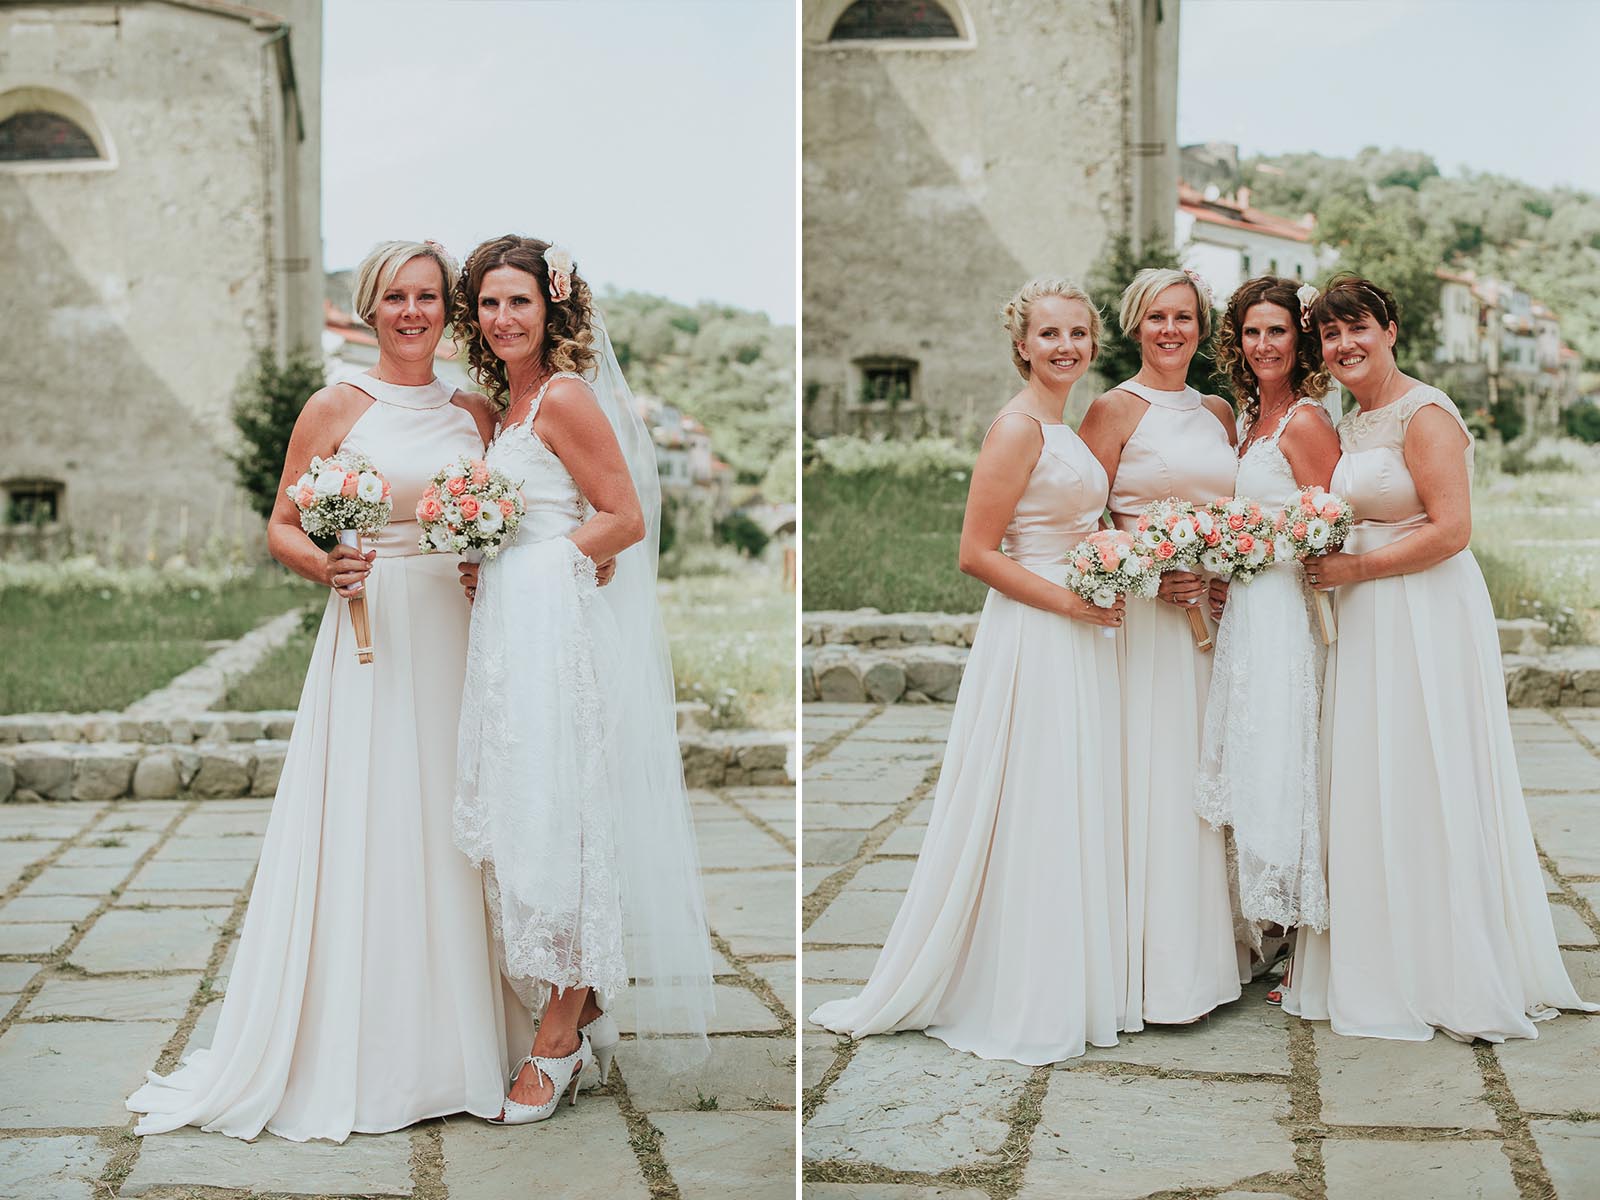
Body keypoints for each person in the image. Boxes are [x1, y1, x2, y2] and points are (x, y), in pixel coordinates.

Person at [129, 240, 519, 1141]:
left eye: (428, 297)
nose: (413, 313)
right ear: (370, 306)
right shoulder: (335, 404)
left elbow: (504, 510)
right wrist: (328, 562)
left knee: (458, 819)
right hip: (368, 632)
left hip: (460, 632)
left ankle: (471, 1035)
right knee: (375, 820)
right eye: (395, 298)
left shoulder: (476, 410)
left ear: (446, 309)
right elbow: (282, 525)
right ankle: (373, 1046)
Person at [811, 279, 1128, 1065]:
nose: (1065, 348)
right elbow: (977, 554)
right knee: (1033, 797)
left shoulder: (1065, 428)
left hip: (1080, 626)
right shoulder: (1018, 427)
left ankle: (1068, 974)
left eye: (1078, 335)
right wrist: (1070, 601)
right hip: (1039, 630)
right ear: (1021, 344)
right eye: (1049, 335)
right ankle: (1019, 989)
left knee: (1066, 797)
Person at [1285, 274, 1595, 1040]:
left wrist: (1352, 567)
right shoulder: (1352, 421)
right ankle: (1381, 954)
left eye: (1358, 327)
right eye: (1330, 335)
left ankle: (1448, 965)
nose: (1345, 344)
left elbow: (1452, 529)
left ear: (1391, 329)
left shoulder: (1425, 412)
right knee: (1373, 775)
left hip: (1424, 613)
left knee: (1428, 770)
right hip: (1368, 622)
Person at [451, 235, 714, 1122]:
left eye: (519, 301)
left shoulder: (562, 398)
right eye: (488, 303)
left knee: (560, 823)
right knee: (523, 818)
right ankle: (583, 997)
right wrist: (478, 553)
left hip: (555, 639)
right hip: (510, 638)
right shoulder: (507, 404)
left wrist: (529, 565)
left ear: (551, 307)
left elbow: (624, 517)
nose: (502, 318)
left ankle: (560, 1031)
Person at [1078, 266, 1245, 1027]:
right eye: (1156, 318)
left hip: (1214, 619)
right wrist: (1150, 575)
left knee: (1209, 780)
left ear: (1201, 326)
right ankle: (1154, 970)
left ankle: (1213, 958)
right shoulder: (1113, 408)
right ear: (1134, 326)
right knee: (1158, 777)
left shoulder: (1217, 409)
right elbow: (1086, 523)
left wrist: (1225, 572)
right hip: (1149, 622)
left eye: (1184, 317)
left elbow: (1238, 510)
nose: (1171, 330)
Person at [1194, 277, 1340, 995]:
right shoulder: (1250, 418)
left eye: (1276, 331)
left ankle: (1292, 940)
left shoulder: (1306, 422)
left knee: (1284, 760)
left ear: (1299, 338)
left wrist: (1257, 552)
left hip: (1283, 613)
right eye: (1252, 332)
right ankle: (1256, 928)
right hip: (1243, 614)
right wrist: (1223, 564)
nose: (1263, 345)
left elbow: (1331, 529)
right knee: (1248, 761)